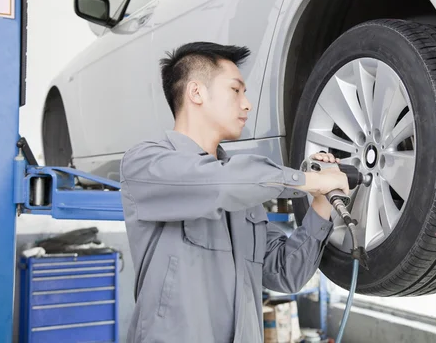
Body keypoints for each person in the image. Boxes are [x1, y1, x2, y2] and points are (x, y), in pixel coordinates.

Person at [120, 42, 349, 343]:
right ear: (196, 92)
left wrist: (321, 202)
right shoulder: (145, 163)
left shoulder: (242, 189)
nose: (247, 104)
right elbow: (218, 184)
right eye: (236, 90)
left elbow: (285, 272)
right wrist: (305, 180)